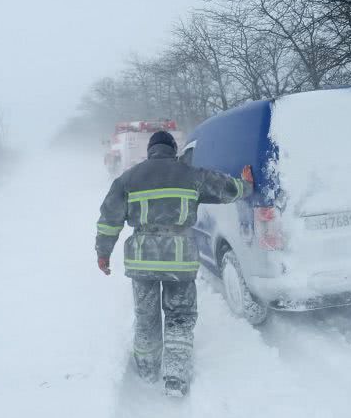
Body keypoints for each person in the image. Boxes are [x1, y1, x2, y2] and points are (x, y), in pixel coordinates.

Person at [95, 130, 253, 397]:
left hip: (142, 261)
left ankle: (146, 369)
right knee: (179, 316)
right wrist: (246, 184)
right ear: (172, 149)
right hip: (179, 260)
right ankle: (175, 377)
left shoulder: (128, 179)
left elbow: (109, 219)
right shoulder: (191, 174)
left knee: (146, 316)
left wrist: (103, 252)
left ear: (150, 151)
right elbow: (227, 189)